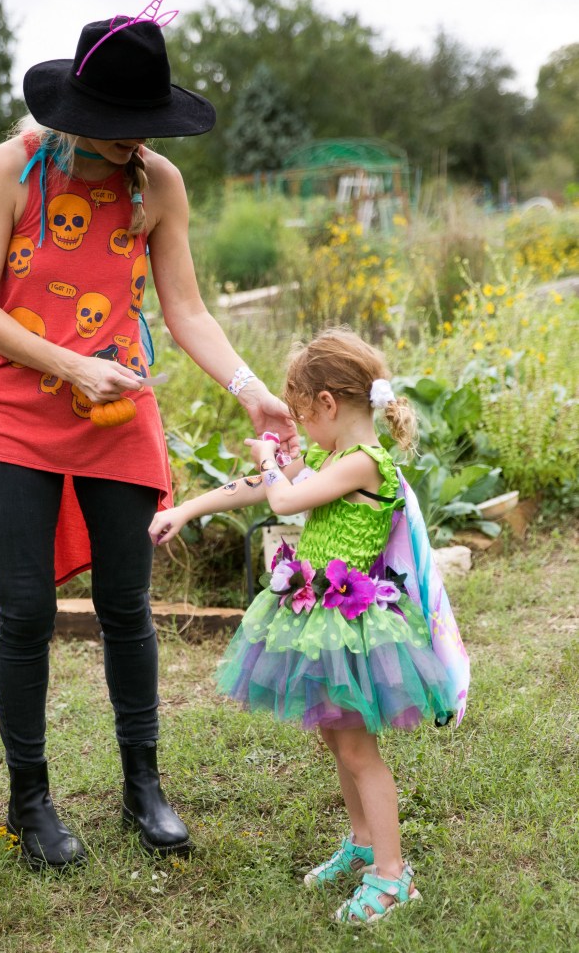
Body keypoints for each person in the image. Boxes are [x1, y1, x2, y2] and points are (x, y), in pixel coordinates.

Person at [0, 0, 297, 871]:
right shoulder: (11, 169)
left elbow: (183, 307)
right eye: (118, 127)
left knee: (126, 606)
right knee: (26, 610)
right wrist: (68, 365)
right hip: (16, 410)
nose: (133, 143)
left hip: (117, 411)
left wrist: (251, 389)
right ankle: (28, 800)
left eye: (144, 128)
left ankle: (142, 784)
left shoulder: (155, 184)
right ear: (75, 109)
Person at [149, 326, 469, 923]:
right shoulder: (332, 456)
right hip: (319, 618)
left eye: (301, 412)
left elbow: (283, 501)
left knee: (358, 748)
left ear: (327, 404)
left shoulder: (364, 464)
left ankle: (393, 876)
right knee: (334, 734)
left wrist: (272, 458)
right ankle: (363, 843)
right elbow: (260, 491)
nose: (298, 425)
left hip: (352, 626)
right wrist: (188, 507)